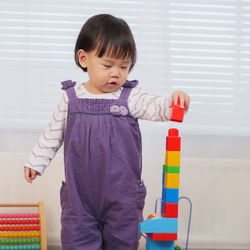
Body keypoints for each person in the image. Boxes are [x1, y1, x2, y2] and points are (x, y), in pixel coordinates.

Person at [24, 14, 190, 250]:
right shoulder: (70, 98)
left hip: (122, 196)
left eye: (124, 66)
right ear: (84, 59)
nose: (116, 73)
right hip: (79, 198)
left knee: (122, 242)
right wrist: (36, 162)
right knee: (77, 241)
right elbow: (53, 134)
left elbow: (158, 107)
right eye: (108, 65)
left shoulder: (130, 97)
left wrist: (175, 101)